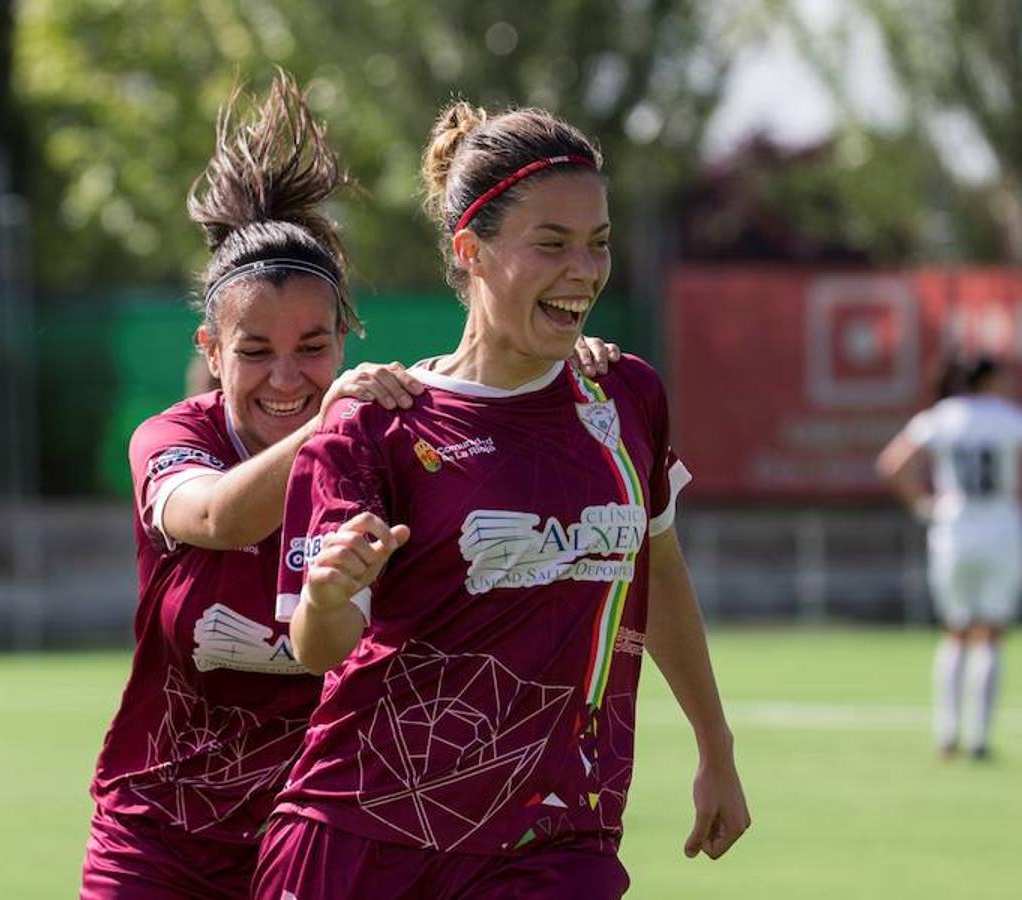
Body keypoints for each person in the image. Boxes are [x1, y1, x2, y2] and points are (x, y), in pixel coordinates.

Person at [80, 75, 622, 898]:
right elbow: (217, 516)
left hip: (328, 837)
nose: (286, 376)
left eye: (314, 347)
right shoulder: (177, 439)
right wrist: (328, 420)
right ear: (211, 350)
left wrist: (558, 366)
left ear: (348, 338)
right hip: (163, 837)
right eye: (255, 350)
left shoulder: (386, 443)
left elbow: (485, 383)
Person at [255, 102, 750, 900]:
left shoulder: (623, 397)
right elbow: (320, 647)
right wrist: (326, 590)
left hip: (556, 840)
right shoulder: (375, 422)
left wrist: (715, 748)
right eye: (551, 245)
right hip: (362, 835)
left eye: (599, 244)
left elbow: (656, 572)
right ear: (471, 251)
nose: (583, 271)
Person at [877, 354, 1022, 761]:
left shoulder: (941, 417)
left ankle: (947, 734)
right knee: (991, 634)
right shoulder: (1013, 418)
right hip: (1002, 529)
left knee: (955, 632)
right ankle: (979, 739)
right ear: (991, 380)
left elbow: (892, 464)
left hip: (953, 530)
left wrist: (923, 504)